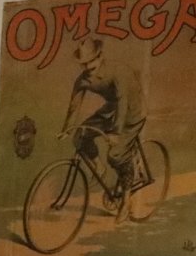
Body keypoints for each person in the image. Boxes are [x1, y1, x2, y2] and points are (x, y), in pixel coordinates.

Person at [61, 37, 145, 207]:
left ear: (100, 57)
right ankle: (99, 167)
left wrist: (115, 133)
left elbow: (123, 101)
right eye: (83, 64)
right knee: (80, 136)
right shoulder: (83, 79)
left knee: (115, 155)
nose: (87, 68)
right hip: (112, 109)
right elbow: (74, 105)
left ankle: (126, 200)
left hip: (132, 110)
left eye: (91, 62)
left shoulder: (118, 71)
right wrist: (67, 129)